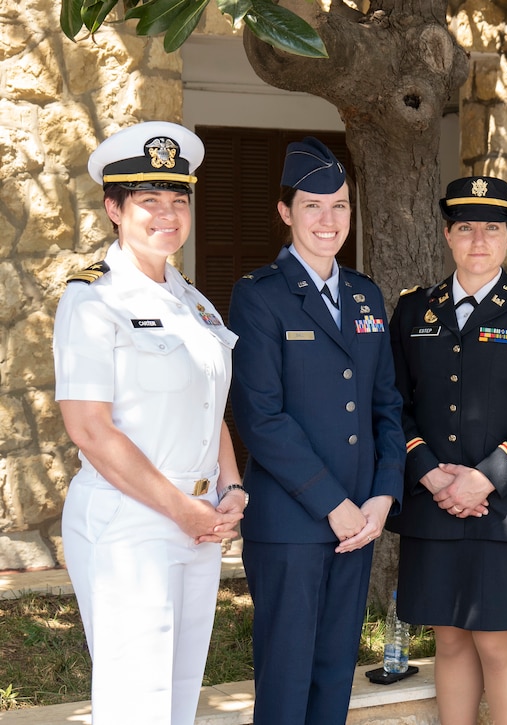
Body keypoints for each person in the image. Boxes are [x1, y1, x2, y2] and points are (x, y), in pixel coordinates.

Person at [54, 121, 245, 724]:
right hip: (130, 519)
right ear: (114, 208)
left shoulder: (193, 300)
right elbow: (89, 429)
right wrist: (182, 507)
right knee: (137, 704)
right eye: (148, 201)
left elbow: (209, 408)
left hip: (197, 517)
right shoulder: (94, 298)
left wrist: (231, 486)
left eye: (178, 200)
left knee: (178, 695)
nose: (168, 214)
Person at [228, 137, 406, 725]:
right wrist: (336, 505)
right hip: (293, 522)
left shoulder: (365, 295)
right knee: (286, 677)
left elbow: (386, 404)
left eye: (340, 206)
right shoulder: (260, 298)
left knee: (334, 673)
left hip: (359, 520)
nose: (329, 220)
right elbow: (261, 416)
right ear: (286, 212)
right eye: (313, 205)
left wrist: (382, 496)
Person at [387, 176, 507, 725]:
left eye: (492, 228)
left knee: (497, 643)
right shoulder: (414, 310)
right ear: (448, 235)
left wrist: (483, 479)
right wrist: (431, 475)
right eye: (465, 228)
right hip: (434, 502)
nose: (478, 240)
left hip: (505, 507)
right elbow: (393, 405)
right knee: (449, 641)